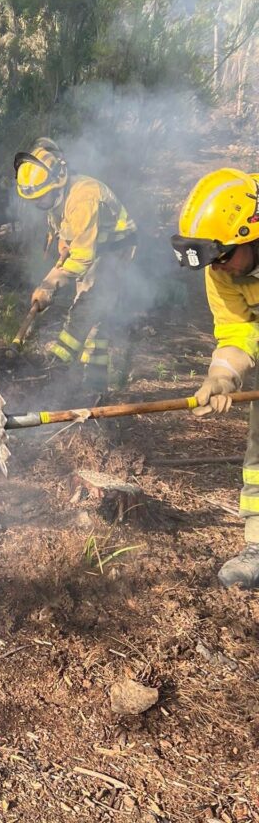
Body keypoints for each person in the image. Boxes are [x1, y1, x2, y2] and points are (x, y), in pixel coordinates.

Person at [172, 167, 259, 588]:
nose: (218, 269)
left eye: (222, 257)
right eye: (210, 261)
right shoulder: (221, 271)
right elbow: (237, 330)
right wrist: (223, 376)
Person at [14, 137, 137, 395]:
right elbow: (64, 225)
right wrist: (62, 241)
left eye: (41, 198)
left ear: (57, 183)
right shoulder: (56, 195)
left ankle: (55, 367)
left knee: (86, 308)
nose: (38, 204)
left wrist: (49, 285)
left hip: (115, 249)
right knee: (97, 315)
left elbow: (82, 256)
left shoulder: (84, 198)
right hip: (93, 246)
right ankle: (94, 383)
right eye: (35, 200)